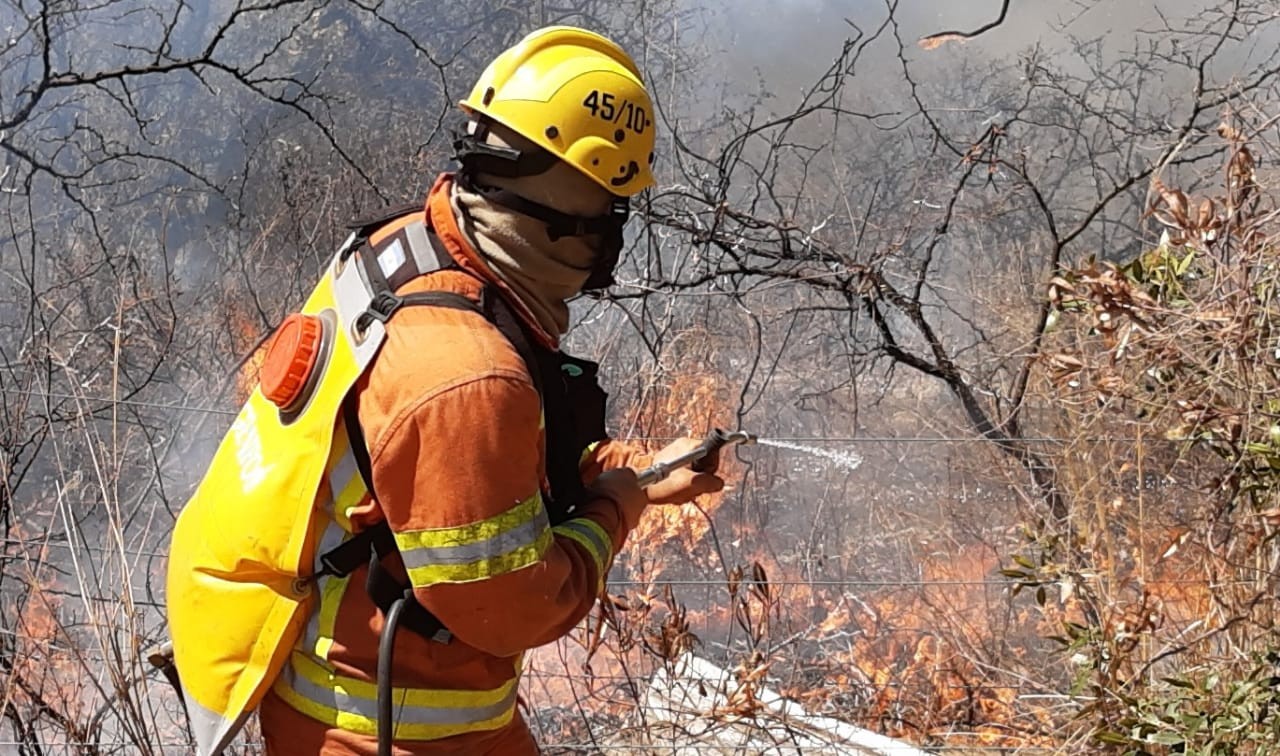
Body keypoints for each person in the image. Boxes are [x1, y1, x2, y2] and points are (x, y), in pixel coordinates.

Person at [175, 25, 724, 755]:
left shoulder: (411, 251)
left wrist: (636, 470)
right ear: (574, 212)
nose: (608, 239)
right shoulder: (467, 375)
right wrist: (618, 508)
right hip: (388, 723)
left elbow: (453, 469)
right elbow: (512, 608)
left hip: (379, 684)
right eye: (609, 212)